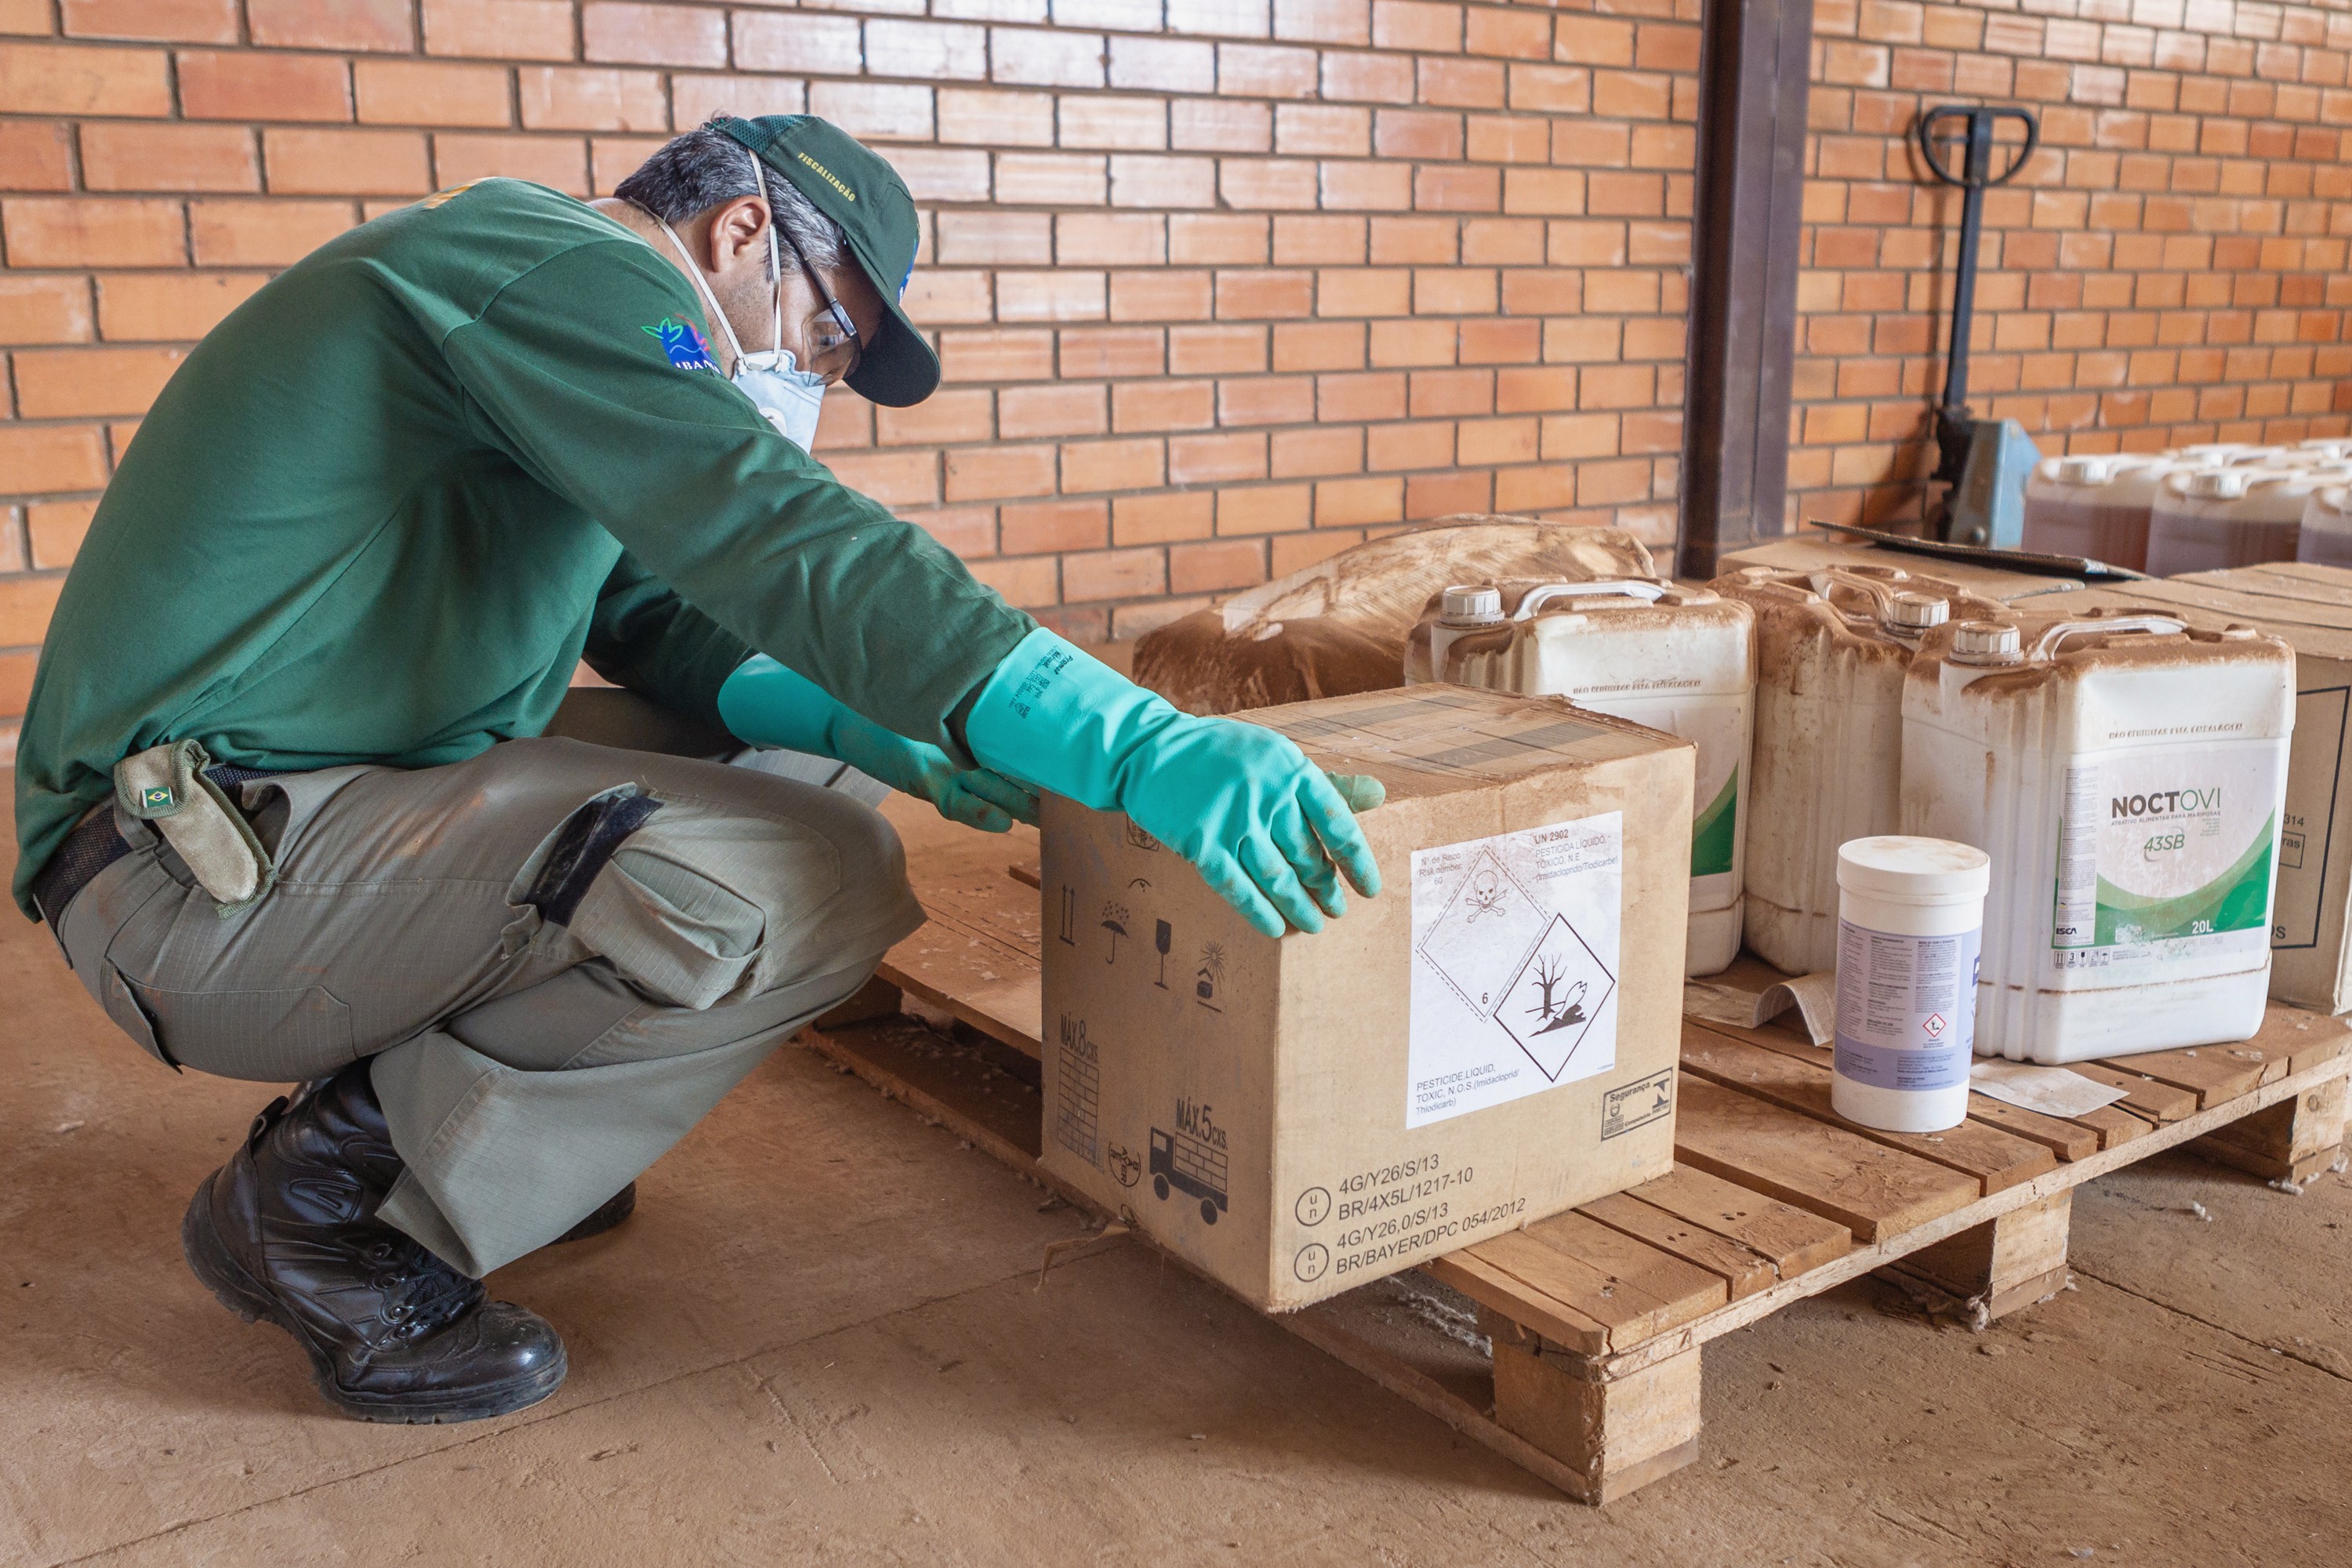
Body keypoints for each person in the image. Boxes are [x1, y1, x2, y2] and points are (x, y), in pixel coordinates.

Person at [11, 115, 1382, 1425]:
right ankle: (318, 1209)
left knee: (807, 773)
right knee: (816, 874)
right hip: (180, 874)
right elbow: (783, 538)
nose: (817, 381)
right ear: (739, 233)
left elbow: (653, 615)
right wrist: (1140, 740)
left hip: (311, 809)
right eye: (829, 336)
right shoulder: (558, 273)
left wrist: (881, 731)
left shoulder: (526, 309)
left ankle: (480, 1133)